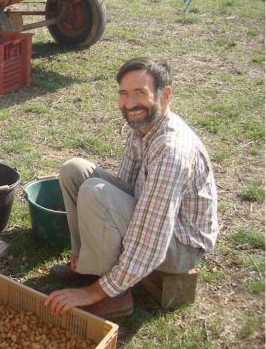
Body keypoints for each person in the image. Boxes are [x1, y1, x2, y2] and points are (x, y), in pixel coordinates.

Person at [44, 57, 218, 319]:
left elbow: (151, 242)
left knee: (95, 192)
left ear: (165, 95)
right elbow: (125, 185)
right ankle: (84, 263)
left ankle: (115, 296)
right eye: (124, 94)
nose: (130, 104)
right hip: (156, 223)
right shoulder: (143, 127)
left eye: (140, 93)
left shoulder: (171, 151)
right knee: (75, 170)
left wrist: (92, 293)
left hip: (179, 246)